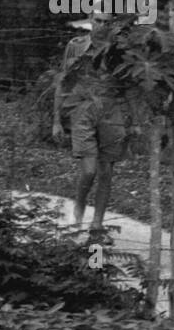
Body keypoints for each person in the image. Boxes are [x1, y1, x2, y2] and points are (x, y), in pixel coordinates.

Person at [51, 18, 135, 240]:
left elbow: (128, 87)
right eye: (97, 20)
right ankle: (77, 213)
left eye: (107, 21)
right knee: (89, 170)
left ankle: (97, 224)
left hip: (111, 111)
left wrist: (133, 120)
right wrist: (57, 120)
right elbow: (63, 82)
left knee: (106, 172)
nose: (102, 25)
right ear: (91, 20)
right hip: (82, 110)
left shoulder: (121, 50)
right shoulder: (76, 45)